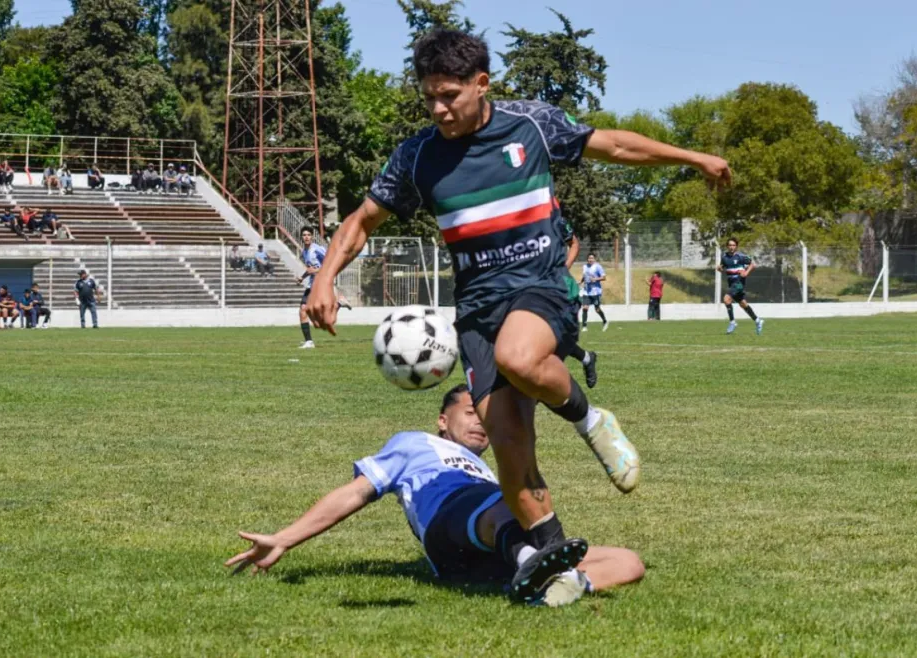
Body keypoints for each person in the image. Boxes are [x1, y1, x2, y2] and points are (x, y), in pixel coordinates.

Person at [305, 28, 731, 595]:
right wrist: (325, 277)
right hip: (476, 310)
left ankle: (590, 419)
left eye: (450, 95)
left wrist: (692, 157)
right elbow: (362, 221)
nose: (438, 108)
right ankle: (551, 564)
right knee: (508, 443)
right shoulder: (416, 156)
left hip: (539, 286)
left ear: (482, 84)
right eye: (429, 97)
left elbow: (615, 146)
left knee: (520, 356)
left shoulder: (531, 124)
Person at [226, 384, 645, 606]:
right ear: (443, 420)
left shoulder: (487, 466)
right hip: (450, 526)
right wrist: (284, 539)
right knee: (508, 499)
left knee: (629, 562)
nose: (481, 423)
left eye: (486, 417)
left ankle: (551, 587)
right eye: (471, 413)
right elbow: (355, 493)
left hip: (488, 550)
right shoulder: (414, 443)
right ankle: (532, 564)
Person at [557, 212, 597, 389]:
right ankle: (587, 358)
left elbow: (574, 243)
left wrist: (564, 267)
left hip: (564, 291)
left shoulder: (554, 220)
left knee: (559, 340)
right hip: (532, 289)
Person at [296, 226, 352, 349]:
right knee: (303, 311)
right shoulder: (304, 251)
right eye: (304, 235)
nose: (306, 237)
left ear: (312, 236)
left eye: (308, 235)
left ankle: (339, 303)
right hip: (312, 284)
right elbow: (310, 269)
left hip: (322, 283)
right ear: (301, 237)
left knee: (322, 316)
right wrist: (302, 277)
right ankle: (309, 342)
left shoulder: (317, 249)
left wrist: (315, 271)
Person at [717, 237, 763, 335]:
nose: (731, 247)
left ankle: (732, 322)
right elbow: (722, 267)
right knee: (742, 303)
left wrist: (746, 272)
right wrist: (720, 269)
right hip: (731, 283)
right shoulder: (724, 257)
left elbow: (753, 264)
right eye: (730, 245)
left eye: (733, 245)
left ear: (736, 246)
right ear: (727, 246)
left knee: (726, 299)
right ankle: (758, 320)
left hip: (739, 283)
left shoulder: (741, 256)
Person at [580, 253, 608, 332]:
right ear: (587, 259)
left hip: (595, 291)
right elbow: (585, 276)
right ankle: (584, 326)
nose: (590, 260)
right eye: (589, 258)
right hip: (586, 291)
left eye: (592, 258)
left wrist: (595, 279)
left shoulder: (598, 267)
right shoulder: (585, 266)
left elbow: (604, 277)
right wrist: (581, 282)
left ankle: (605, 321)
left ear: (594, 259)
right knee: (585, 308)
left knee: (597, 309)